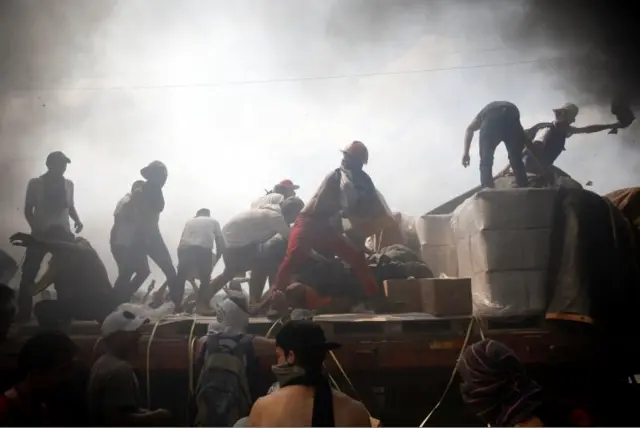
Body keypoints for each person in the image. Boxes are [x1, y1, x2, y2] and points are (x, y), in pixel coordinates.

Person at [271, 141, 380, 309]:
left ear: (360, 163)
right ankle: (275, 299)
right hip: (308, 222)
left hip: (325, 227)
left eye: (350, 157)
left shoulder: (357, 181)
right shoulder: (336, 177)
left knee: (356, 257)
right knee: (294, 257)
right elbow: (327, 205)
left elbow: (360, 208)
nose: (345, 160)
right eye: (345, 156)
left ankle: (375, 299)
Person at [246, 320, 371, 427]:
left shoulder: (263, 408)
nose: (277, 362)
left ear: (290, 356)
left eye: (278, 356)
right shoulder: (356, 411)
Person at [199, 197, 304, 314]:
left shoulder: (271, 208)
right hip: (236, 241)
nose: (295, 220)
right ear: (291, 213)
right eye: (296, 216)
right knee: (259, 265)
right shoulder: (276, 218)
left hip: (231, 237)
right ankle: (254, 304)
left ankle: (202, 302)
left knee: (231, 272)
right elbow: (294, 240)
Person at [458, 339, 592, 427]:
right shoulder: (538, 402)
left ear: (482, 387)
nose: (465, 388)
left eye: (467, 380)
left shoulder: (525, 421)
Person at [17, 151, 83, 322]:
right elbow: (28, 209)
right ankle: (24, 313)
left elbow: (70, 206)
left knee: (65, 274)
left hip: (62, 234)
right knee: (29, 272)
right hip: (42, 233)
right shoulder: (36, 183)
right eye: (60, 164)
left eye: (65, 164)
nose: (63, 167)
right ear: (49, 164)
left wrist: (77, 220)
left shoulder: (68, 184)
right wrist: (35, 228)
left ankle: (64, 313)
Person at [192, 291, 275, 427]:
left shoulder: (203, 342)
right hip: (241, 418)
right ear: (241, 315)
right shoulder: (253, 343)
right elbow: (287, 343)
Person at [10, 229, 117, 326]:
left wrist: (38, 243)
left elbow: (70, 247)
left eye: (53, 245)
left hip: (102, 304)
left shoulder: (84, 249)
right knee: (45, 307)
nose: (52, 250)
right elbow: (34, 290)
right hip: (85, 305)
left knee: (45, 307)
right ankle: (58, 336)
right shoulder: (58, 263)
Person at [88, 307, 173, 426]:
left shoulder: (101, 362)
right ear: (116, 337)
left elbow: (124, 410)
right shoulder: (120, 370)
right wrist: (156, 416)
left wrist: (146, 413)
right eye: (133, 332)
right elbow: (118, 419)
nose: (138, 336)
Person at [463, 101, 551, 188]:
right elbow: (528, 144)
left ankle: (487, 186)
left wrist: (466, 153)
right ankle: (522, 183)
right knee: (515, 158)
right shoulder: (488, 114)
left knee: (486, 160)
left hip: (492, 119)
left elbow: (469, 129)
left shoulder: (482, 117)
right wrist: (544, 167)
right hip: (511, 113)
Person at [0, 331, 79, 426]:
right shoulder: (4, 412)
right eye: (62, 371)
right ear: (35, 372)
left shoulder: (48, 406)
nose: (69, 377)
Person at [524, 103, 622, 173]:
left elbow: (587, 130)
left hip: (542, 167)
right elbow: (533, 149)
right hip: (530, 168)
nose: (570, 123)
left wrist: (610, 126)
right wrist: (544, 170)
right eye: (569, 120)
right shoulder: (546, 130)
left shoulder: (563, 130)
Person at [137, 161, 180, 309]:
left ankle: (116, 301)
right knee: (170, 270)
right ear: (154, 175)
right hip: (150, 234)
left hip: (148, 233)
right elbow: (144, 214)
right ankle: (175, 306)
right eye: (162, 176)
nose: (164, 179)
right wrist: (147, 236)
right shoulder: (150, 189)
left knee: (134, 271)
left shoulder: (147, 188)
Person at [111, 180, 151, 303]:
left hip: (132, 244)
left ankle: (123, 296)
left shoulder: (138, 204)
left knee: (142, 271)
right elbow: (118, 218)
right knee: (125, 273)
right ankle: (115, 299)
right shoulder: (127, 200)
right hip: (122, 243)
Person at [176, 208, 225, 309]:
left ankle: (176, 305)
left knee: (180, 279)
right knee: (205, 280)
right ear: (208, 214)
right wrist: (218, 257)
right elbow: (220, 241)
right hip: (203, 250)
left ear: (197, 214)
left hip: (185, 250)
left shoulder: (189, 221)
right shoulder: (214, 221)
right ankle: (201, 306)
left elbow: (181, 242)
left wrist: (180, 260)